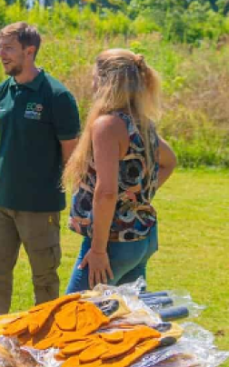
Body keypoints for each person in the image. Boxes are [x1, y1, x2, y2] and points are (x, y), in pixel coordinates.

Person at [0, 22, 81, 314]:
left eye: (9, 48)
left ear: (30, 51)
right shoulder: (1, 92)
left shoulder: (57, 96)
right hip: (3, 203)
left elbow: (72, 158)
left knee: (44, 279)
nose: (2, 54)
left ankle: (46, 338)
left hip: (40, 207)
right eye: (0, 47)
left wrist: (78, 202)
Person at [63, 49, 177, 293]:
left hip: (114, 243)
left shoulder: (108, 125)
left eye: (94, 77)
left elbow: (106, 193)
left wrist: (98, 250)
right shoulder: (141, 123)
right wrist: (136, 198)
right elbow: (170, 161)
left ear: (106, 81)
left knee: (72, 317)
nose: (91, 83)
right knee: (126, 321)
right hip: (140, 240)